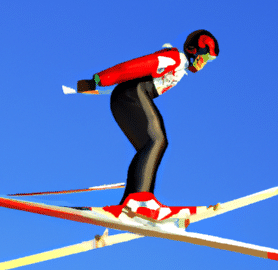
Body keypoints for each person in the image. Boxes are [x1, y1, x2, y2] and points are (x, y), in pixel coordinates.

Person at [78, 30, 219, 210]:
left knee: (149, 146)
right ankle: (138, 200)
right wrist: (98, 80)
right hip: (131, 96)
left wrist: (100, 88)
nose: (205, 63)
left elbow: (140, 78)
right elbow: (136, 66)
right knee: (157, 140)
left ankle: (130, 203)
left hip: (126, 97)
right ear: (194, 50)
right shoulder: (175, 58)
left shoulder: (180, 68)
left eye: (210, 60)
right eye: (206, 56)